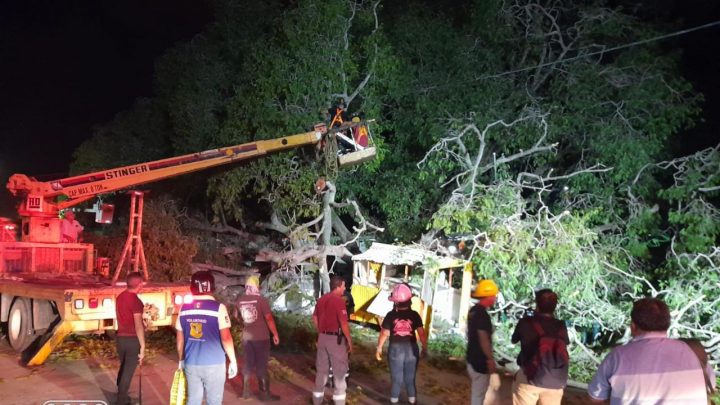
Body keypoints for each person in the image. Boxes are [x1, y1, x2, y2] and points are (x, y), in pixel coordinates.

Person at [588, 297, 713, 404]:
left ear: (633, 326)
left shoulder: (617, 357)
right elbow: (709, 389)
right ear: (667, 324)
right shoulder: (690, 351)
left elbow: (596, 399)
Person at [176, 271, 238, 405]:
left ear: (192, 287)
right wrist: (233, 361)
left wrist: (181, 359)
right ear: (212, 288)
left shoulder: (184, 309)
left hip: (191, 363)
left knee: (193, 400)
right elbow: (226, 338)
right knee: (214, 401)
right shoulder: (218, 308)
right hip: (214, 364)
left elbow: (180, 339)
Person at [511, 289, 569, 405]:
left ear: (537, 304)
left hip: (529, 377)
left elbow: (514, 340)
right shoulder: (561, 326)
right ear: (555, 306)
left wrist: (526, 319)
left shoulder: (525, 322)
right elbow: (565, 344)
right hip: (555, 381)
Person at [375, 283, 428, 405]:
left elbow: (384, 333)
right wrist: (424, 348)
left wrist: (379, 348)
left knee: (396, 378)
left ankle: (393, 401)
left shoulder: (390, 315)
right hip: (411, 350)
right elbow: (422, 334)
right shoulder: (414, 315)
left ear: (396, 302)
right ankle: (412, 401)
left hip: (395, 351)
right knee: (410, 378)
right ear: (409, 300)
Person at [234, 275, 280, 401]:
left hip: (246, 337)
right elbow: (269, 319)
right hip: (261, 337)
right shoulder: (261, 300)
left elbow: (236, 316)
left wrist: (245, 323)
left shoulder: (240, 300)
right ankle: (264, 394)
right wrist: (275, 334)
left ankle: (245, 393)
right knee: (261, 365)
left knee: (248, 364)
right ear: (256, 286)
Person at [312, 274, 353, 405]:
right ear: (338, 286)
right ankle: (339, 401)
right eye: (344, 286)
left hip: (322, 338)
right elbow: (344, 323)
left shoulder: (321, 299)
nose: (344, 288)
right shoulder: (338, 301)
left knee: (322, 371)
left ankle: (317, 400)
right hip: (335, 340)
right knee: (339, 372)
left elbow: (314, 318)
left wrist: (320, 333)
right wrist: (349, 341)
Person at [466, 279, 501, 405]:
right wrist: (490, 360)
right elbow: (483, 339)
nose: (495, 298)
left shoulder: (473, 311)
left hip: (471, 357)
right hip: (479, 361)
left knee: (478, 393)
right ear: (489, 296)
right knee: (478, 395)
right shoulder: (482, 315)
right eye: (494, 296)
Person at [115, 272, 145, 405]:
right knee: (128, 370)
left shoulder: (120, 297)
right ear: (139, 284)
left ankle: (122, 394)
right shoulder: (136, 301)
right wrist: (143, 345)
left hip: (120, 338)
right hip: (132, 339)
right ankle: (121, 400)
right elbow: (138, 325)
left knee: (124, 366)